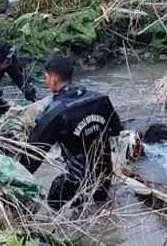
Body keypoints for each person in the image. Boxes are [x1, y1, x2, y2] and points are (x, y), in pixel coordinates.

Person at [19, 55, 122, 210]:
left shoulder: (54, 113)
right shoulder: (100, 99)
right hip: (105, 177)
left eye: (47, 78)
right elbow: (116, 130)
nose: (47, 82)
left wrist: (15, 179)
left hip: (77, 182)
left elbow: (32, 156)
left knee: (55, 197)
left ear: (53, 79)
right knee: (99, 208)